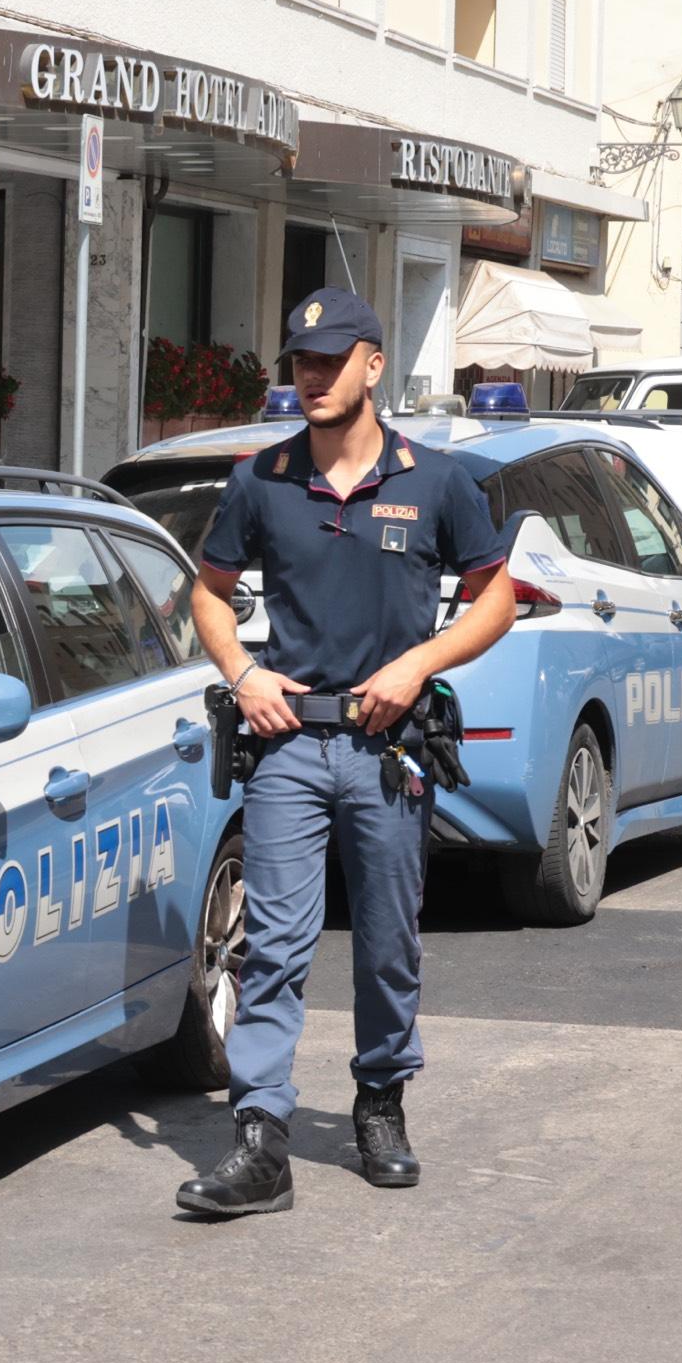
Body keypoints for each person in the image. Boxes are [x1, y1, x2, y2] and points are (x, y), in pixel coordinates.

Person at [176, 287, 515, 1217]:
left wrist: (420, 663)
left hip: (389, 748)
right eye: (300, 361)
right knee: (275, 944)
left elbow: (494, 597)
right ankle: (260, 1140)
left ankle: (380, 1103)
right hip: (288, 743)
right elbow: (208, 592)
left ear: (374, 364)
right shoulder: (262, 478)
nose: (312, 376)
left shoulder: (437, 481)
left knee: (387, 941)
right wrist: (244, 673)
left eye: (331, 360)